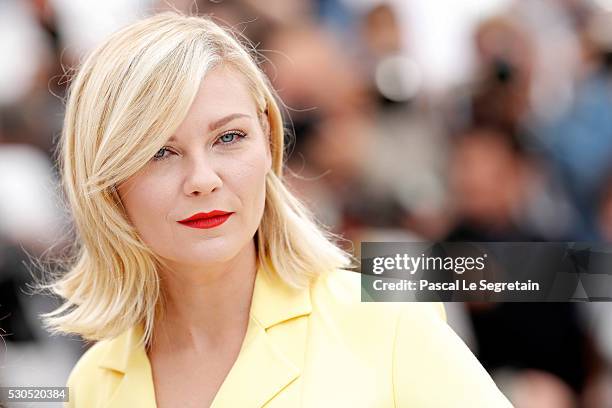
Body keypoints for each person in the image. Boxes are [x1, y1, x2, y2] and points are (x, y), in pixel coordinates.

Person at [39, 12, 513, 407]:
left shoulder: (387, 323)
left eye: (229, 137)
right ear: (105, 181)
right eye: (159, 152)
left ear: (269, 141)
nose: (203, 179)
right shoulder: (95, 382)